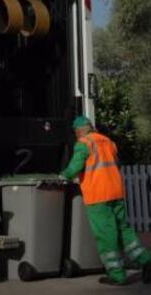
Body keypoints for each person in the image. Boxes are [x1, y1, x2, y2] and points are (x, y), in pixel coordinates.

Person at [60, 116, 151, 286]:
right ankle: (146, 260)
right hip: (116, 192)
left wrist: (63, 176)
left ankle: (117, 275)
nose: (76, 135)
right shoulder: (108, 141)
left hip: (98, 196)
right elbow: (117, 164)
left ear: (79, 130)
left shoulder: (84, 143)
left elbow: (75, 166)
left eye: (76, 132)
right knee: (124, 229)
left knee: (106, 235)